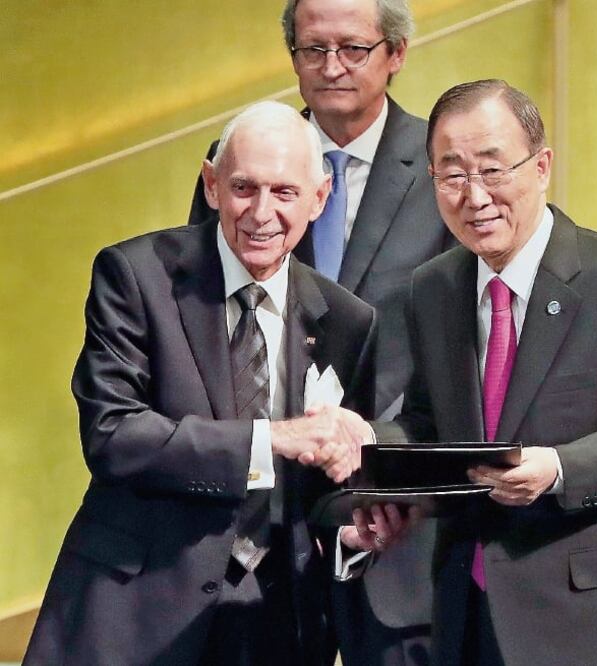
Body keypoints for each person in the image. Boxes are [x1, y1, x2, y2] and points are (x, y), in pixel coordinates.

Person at [24, 101, 404, 666]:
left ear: (319, 199)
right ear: (211, 185)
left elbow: (327, 490)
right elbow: (113, 436)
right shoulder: (135, 276)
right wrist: (270, 439)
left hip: (276, 625)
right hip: (135, 613)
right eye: (244, 187)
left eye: (284, 193)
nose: (261, 213)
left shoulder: (348, 320)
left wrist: (349, 534)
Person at [369, 79, 597, 665]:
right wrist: (373, 451)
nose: (474, 196)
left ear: (542, 166)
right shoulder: (432, 288)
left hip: (591, 621)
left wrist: (559, 468)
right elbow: (430, 423)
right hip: (466, 611)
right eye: (451, 175)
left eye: (493, 170)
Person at [189, 3, 449, 662]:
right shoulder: (243, 159)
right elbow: (200, 327)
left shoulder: (446, 165)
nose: (330, 67)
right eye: (312, 49)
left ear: (395, 54)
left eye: (353, 49)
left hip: (393, 517)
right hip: (260, 524)